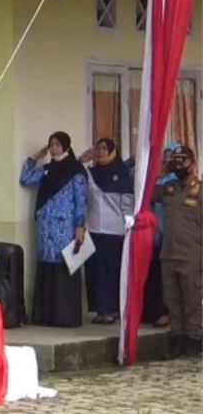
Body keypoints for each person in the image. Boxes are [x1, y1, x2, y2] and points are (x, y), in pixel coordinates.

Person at [20, 131, 88, 327]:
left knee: (64, 265)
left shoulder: (76, 170)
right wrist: (35, 158)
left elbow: (81, 200)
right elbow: (26, 179)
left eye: (57, 145)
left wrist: (80, 226)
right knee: (46, 266)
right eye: (51, 145)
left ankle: (65, 316)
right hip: (46, 226)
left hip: (65, 226)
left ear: (65, 146)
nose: (53, 148)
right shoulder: (47, 170)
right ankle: (45, 315)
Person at [152, 144, 201, 358]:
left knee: (191, 300)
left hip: (192, 254)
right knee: (172, 300)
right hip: (169, 253)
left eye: (183, 161)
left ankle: (194, 341)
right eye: (176, 161)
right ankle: (178, 340)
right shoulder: (169, 188)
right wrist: (161, 173)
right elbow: (147, 195)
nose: (179, 165)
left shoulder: (200, 191)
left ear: (193, 163)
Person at [79, 138, 134, 323]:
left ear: (112, 151)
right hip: (93, 228)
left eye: (105, 148)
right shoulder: (90, 172)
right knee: (95, 271)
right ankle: (99, 310)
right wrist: (80, 161)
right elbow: (74, 181)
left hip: (115, 230)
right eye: (98, 148)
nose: (101, 152)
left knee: (111, 271)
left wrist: (128, 222)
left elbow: (127, 201)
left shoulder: (122, 174)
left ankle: (112, 310)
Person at [142, 142, 179, 327]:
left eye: (171, 156)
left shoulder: (176, 179)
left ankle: (166, 312)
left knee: (167, 277)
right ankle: (152, 311)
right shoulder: (156, 177)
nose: (166, 159)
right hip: (154, 234)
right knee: (153, 274)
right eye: (165, 155)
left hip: (171, 234)